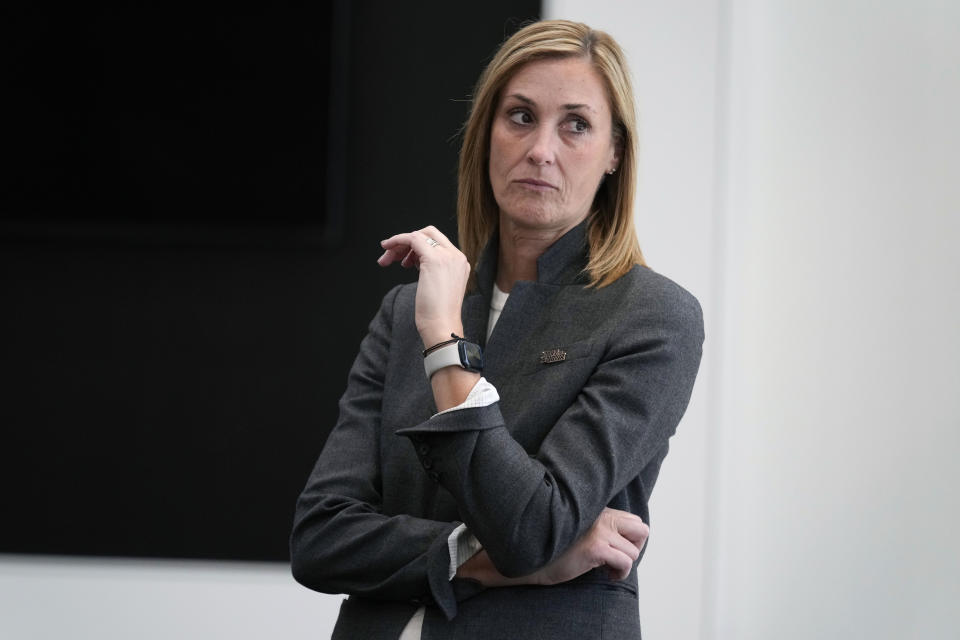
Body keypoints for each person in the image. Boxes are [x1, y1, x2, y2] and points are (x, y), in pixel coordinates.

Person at [290, 19, 704, 639]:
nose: (541, 149)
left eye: (576, 124)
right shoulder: (405, 311)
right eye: (519, 117)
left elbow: (531, 526)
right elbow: (322, 538)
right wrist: (494, 563)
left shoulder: (653, 316)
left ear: (616, 151)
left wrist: (443, 341)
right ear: (487, 133)